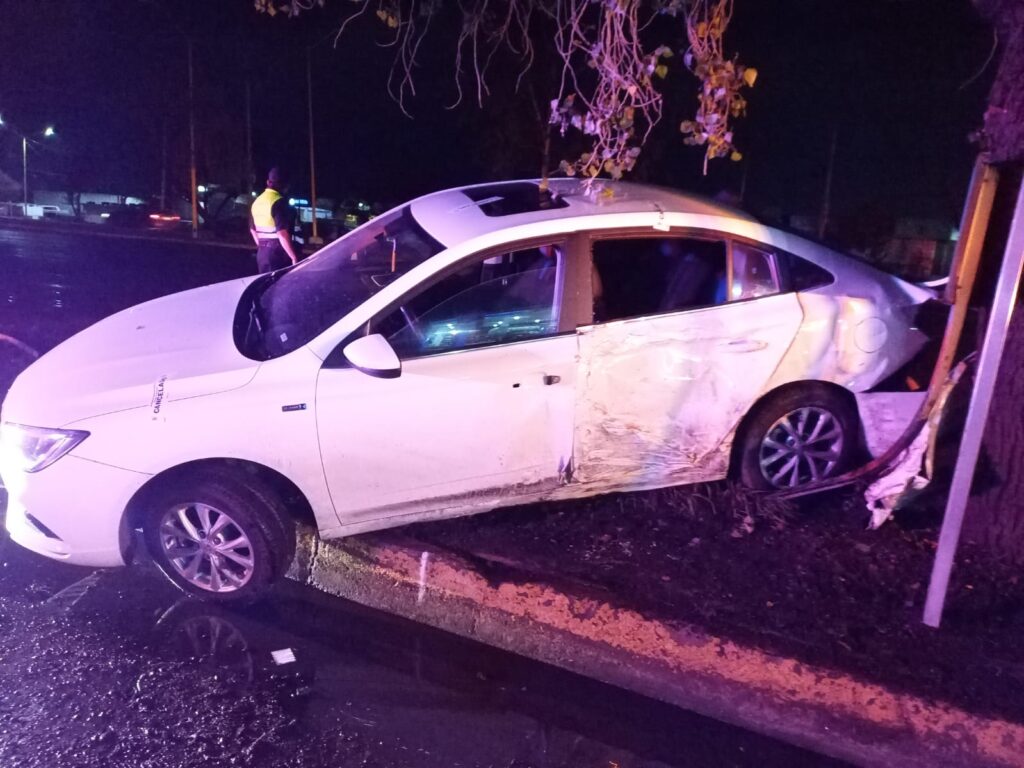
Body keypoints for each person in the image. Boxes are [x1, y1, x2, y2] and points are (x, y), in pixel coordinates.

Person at [249, 167, 300, 273]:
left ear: (268, 182)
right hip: (278, 254)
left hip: (262, 254)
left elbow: (252, 230)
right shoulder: (279, 202)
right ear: (285, 185)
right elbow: (281, 233)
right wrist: (293, 257)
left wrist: (262, 247)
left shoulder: (257, 201)